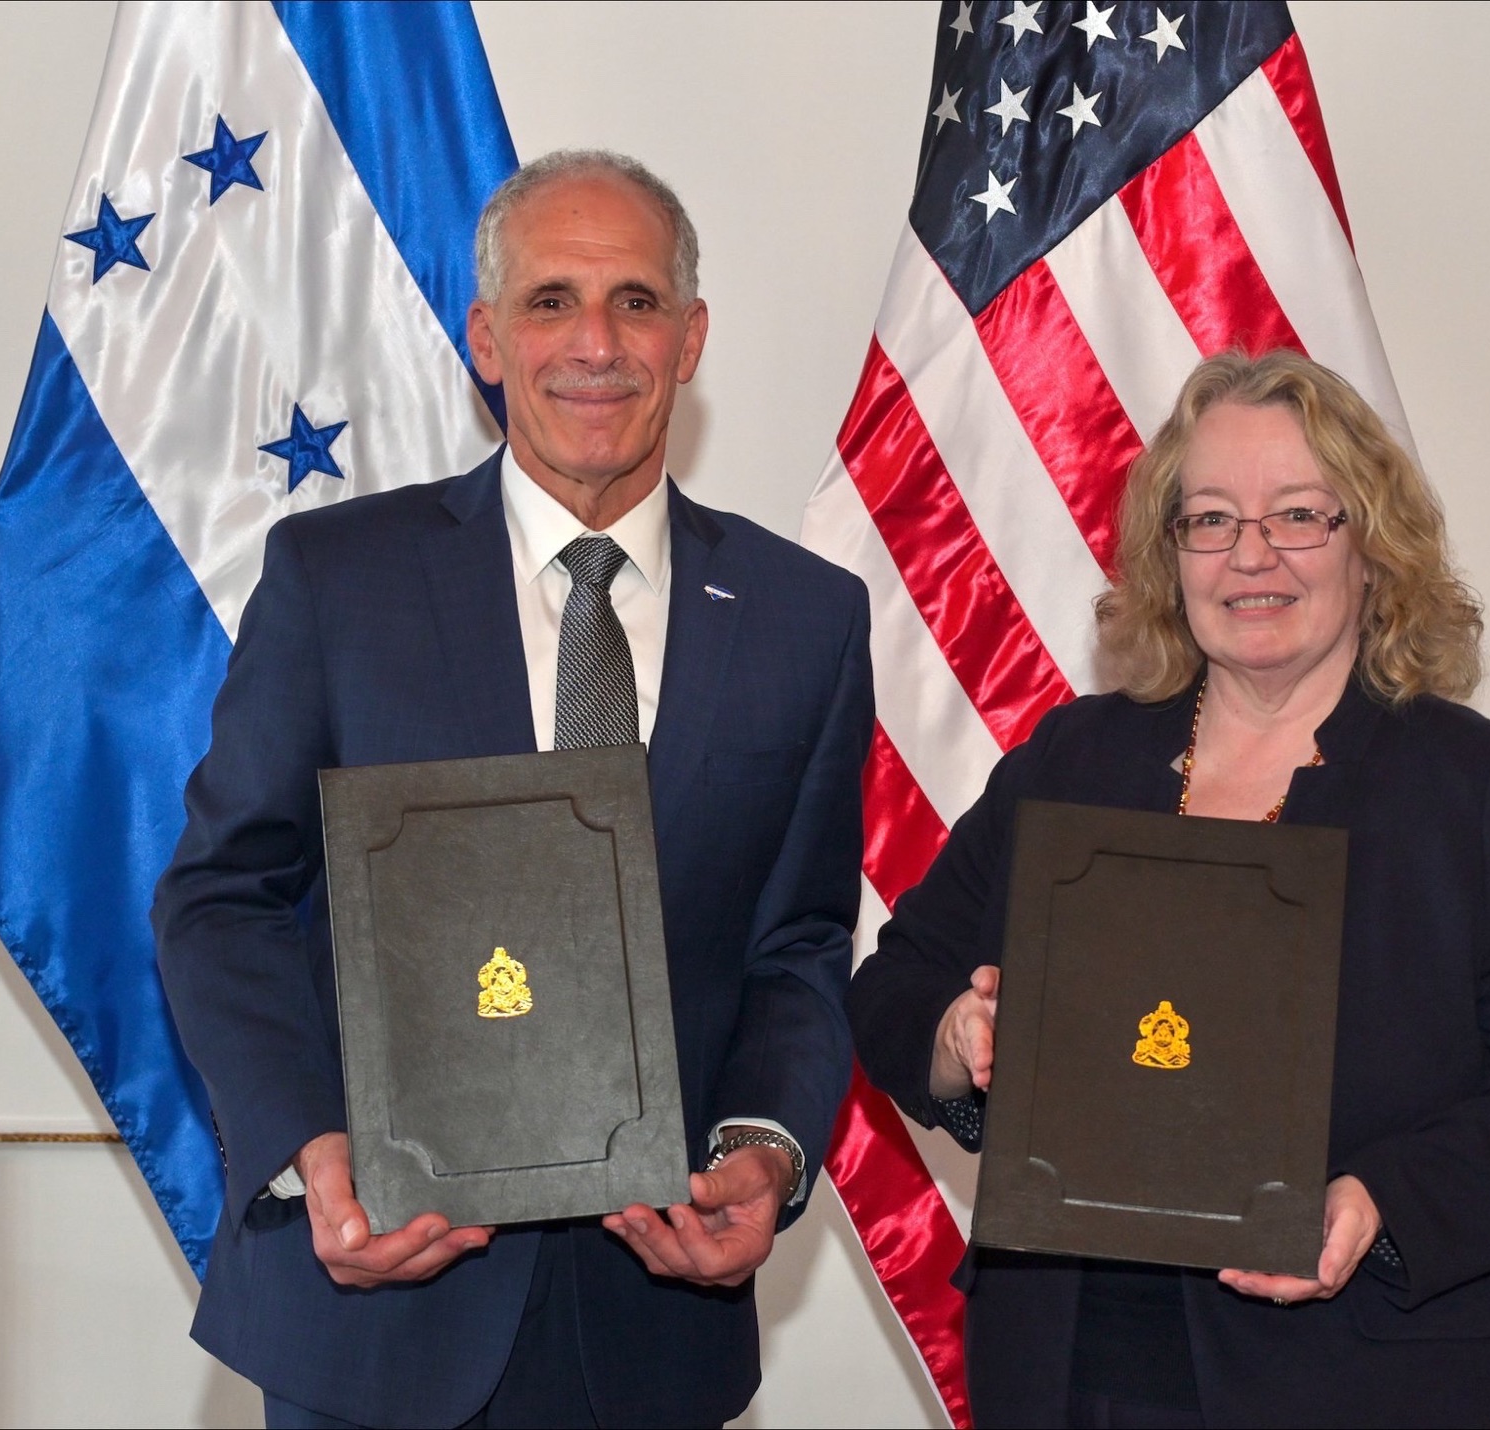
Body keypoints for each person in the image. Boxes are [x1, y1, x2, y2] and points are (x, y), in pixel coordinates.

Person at [154, 150, 871, 1429]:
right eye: (551, 301)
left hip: (653, 1329)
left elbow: (799, 942)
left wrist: (761, 1147)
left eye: (635, 301)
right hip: (373, 1312)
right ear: (486, 337)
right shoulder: (337, 579)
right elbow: (223, 896)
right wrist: (312, 1148)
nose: (595, 343)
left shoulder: (804, 618)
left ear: (690, 336)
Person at [846, 349, 1490, 1428]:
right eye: (1210, 520)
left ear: (1370, 545)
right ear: (1170, 553)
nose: (1251, 555)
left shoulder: (1482, 791)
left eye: (1297, 515)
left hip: (1390, 1378)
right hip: (1077, 1372)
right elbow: (896, 985)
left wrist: (1384, 1203)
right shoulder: (1074, 761)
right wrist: (958, 1033)